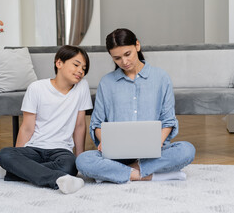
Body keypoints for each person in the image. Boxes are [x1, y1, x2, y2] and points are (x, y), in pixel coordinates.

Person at [76, 28, 196, 183]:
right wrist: (104, 141)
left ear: (137, 46)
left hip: (154, 153)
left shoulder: (161, 77)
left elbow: (168, 121)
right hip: (117, 155)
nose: (124, 62)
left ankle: (120, 173)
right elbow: (97, 124)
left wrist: (157, 141)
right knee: (83, 161)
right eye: (117, 58)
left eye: (128, 54)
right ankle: (148, 175)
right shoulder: (106, 83)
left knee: (186, 150)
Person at [0, 45, 93, 194]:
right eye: (76, 65)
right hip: (34, 148)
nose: (80, 71)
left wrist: (79, 159)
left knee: (69, 167)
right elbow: (27, 127)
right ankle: (56, 178)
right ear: (59, 63)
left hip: (61, 150)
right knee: (4, 154)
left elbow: (80, 125)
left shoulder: (82, 87)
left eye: (84, 68)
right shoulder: (36, 88)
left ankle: (12, 172)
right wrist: (16, 153)